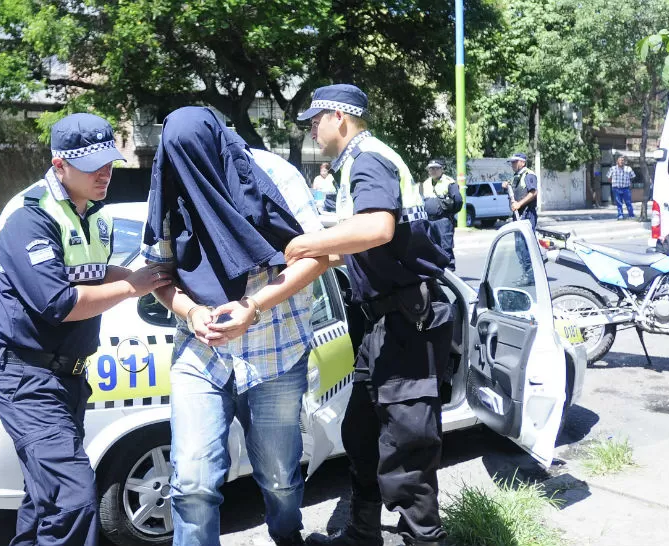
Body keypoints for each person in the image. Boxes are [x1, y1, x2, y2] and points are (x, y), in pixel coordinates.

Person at [142, 106, 328, 546]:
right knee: (191, 484)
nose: (189, 169)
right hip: (201, 352)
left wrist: (254, 305)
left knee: (280, 477)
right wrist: (189, 310)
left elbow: (319, 256)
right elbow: (159, 275)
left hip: (275, 350)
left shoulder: (273, 175)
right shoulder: (173, 180)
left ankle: (287, 535)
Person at [0, 113, 170, 546]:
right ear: (60, 164)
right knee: (74, 498)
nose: (105, 172)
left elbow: (95, 270)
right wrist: (131, 287)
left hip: (67, 377)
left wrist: (149, 276)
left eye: (108, 161)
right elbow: (59, 303)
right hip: (26, 377)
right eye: (92, 165)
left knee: (45, 494)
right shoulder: (30, 220)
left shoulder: (91, 214)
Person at [289, 84, 453, 546]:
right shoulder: (355, 166)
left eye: (315, 119)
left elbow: (378, 228)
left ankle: (425, 539)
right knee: (360, 432)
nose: (311, 129)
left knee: (406, 445)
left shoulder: (368, 159)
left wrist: (308, 244)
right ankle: (362, 534)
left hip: (407, 322)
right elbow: (359, 249)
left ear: (339, 117)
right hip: (379, 323)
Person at [419, 160, 462, 270]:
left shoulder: (449, 182)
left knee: (446, 247)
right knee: (432, 247)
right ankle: (437, 272)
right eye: (431, 168)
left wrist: (450, 213)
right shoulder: (426, 183)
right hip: (429, 220)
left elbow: (458, 201)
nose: (433, 170)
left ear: (442, 169)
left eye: (436, 168)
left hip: (443, 220)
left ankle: (449, 272)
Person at [503, 152, 539, 229]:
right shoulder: (515, 176)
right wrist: (506, 186)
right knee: (519, 240)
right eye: (512, 162)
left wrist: (519, 204)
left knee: (525, 240)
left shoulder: (528, 175)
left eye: (515, 162)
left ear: (523, 163)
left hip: (527, 214)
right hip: (517, 214)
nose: (513, 164)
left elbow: (534, 192)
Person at [608, 155, 636, 220]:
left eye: (623, 160)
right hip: (616, 189)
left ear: (624, 161)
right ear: (617, 161)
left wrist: (630, 182)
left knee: (628, 202)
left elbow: (633, 176)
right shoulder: (613, 168)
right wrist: (613, 184)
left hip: (626, 188)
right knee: (619, 203)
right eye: (620, 160)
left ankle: (631, 215)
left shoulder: (628, 168)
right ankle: (620, 215)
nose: (621, 162)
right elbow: (609, 178)